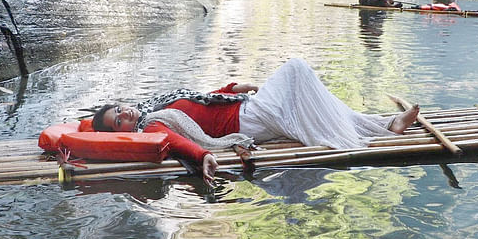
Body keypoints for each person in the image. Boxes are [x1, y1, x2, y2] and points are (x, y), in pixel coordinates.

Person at [92, 58, 420, 185]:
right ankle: (377, 129)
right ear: (121, 131)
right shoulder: (150, 127)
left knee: (313, 100)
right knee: (295, 71)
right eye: (118, 121)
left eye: (120, 109)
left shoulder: (153, 107)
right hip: (245, 121)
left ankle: (388, 124)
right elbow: (176, 142)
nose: (125, 115)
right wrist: (202, 155)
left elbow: (198, 101)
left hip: (243, 107)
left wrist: (231, 88)